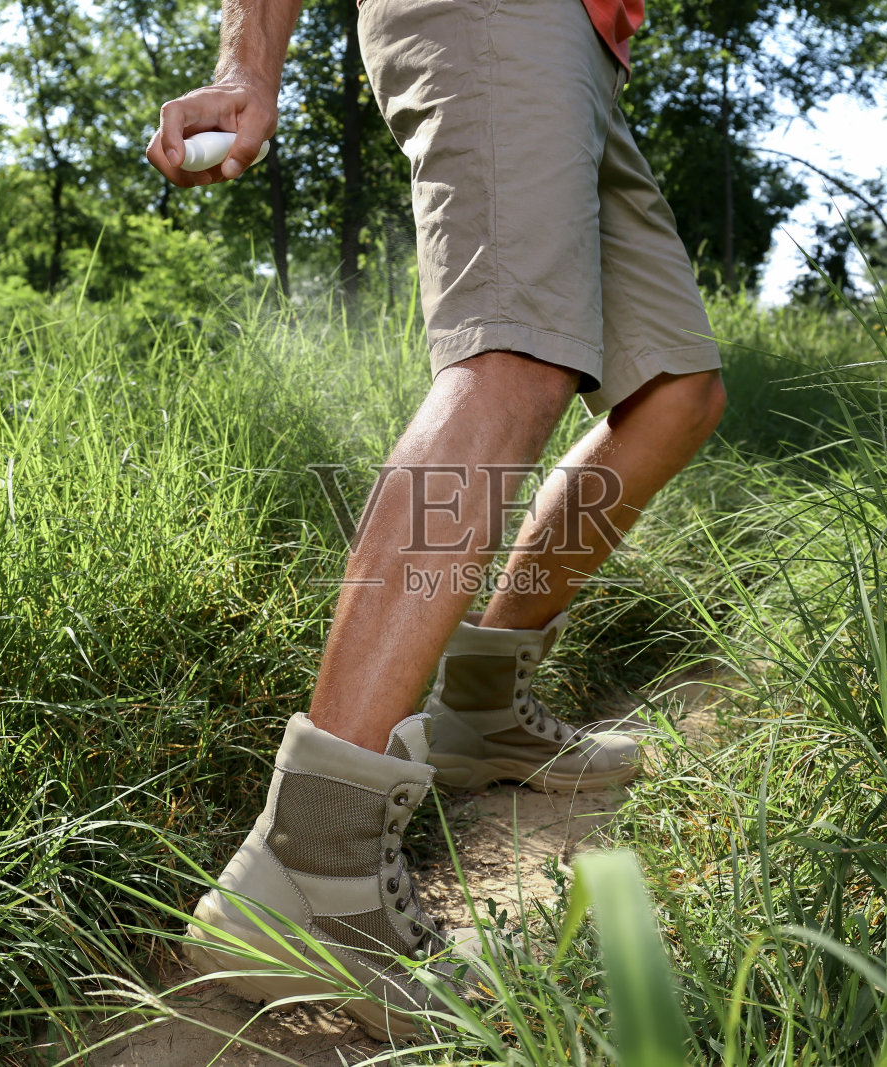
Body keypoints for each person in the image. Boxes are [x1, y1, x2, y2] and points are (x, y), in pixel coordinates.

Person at [146, 0, 726, 1041]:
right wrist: (247, 68)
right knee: (511, 355)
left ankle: (483, 708)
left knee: (675, 392)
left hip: (591, 48)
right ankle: (309, 866)